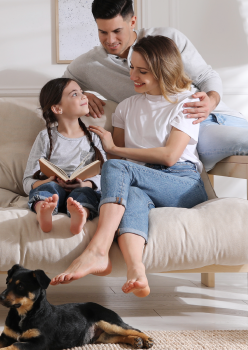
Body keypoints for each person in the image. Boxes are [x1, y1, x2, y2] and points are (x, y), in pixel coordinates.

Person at [62, 0, 248, 294]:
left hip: (206, 118)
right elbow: (64, 85)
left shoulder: (166, 39)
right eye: (102, 32)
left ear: (133, 21)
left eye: (117, 30)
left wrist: (209, 101)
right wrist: (83, 93)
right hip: (175, 131)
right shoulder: (91, 65)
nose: (110, 40)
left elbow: (208, 77)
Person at [50, 35, 208, 297]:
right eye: (132, 67)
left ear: (163, 70)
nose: (133, 75)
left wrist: (113, 149)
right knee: (130, 194)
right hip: (142, 181)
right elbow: (119, 167)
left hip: (182, 183)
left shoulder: (188, 103)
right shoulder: (125, 107)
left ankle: (97, 250)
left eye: (142, 71)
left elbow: (170, 156)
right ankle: (137, 271)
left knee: (118, 168)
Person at [23, 78, 106, 235]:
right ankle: (43, 210)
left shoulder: (93, 137)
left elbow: (107, 176)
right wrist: (47, 181)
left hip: (81, 188)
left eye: (82, 92)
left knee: (86, 195)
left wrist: (86, 185)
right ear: (57, 108)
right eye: (75, 94)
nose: (84, 96)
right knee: (48, 188)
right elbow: (27, 181)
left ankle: (81, 215)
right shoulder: (45, 137)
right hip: (53, 189)